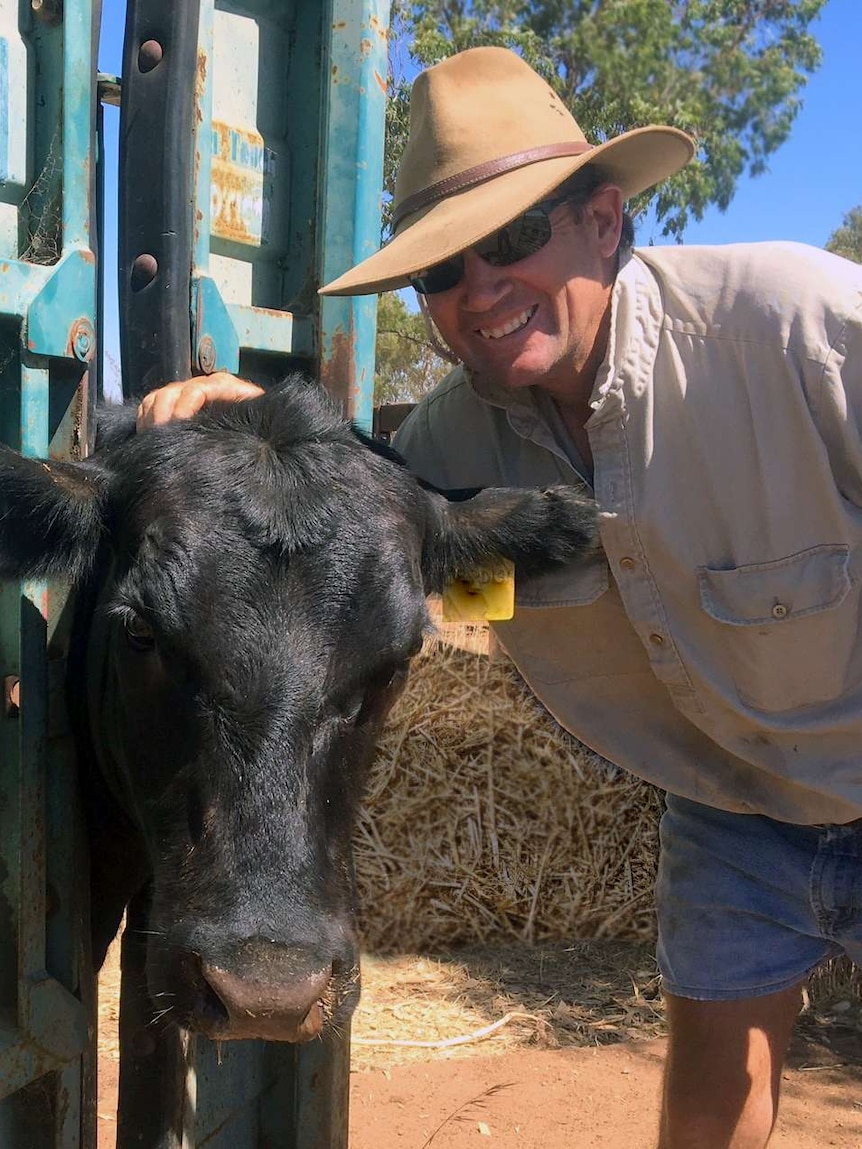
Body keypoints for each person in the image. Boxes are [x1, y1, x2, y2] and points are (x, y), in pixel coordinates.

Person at [139, 46, 862, 1149]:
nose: (479, 293)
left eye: (516, 239)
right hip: (736, 807)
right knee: (710, 1109)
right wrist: (250, 436)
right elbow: (365, 550)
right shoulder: (446, 450)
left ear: (607, 223)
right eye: (441, 271)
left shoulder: (794, 326)